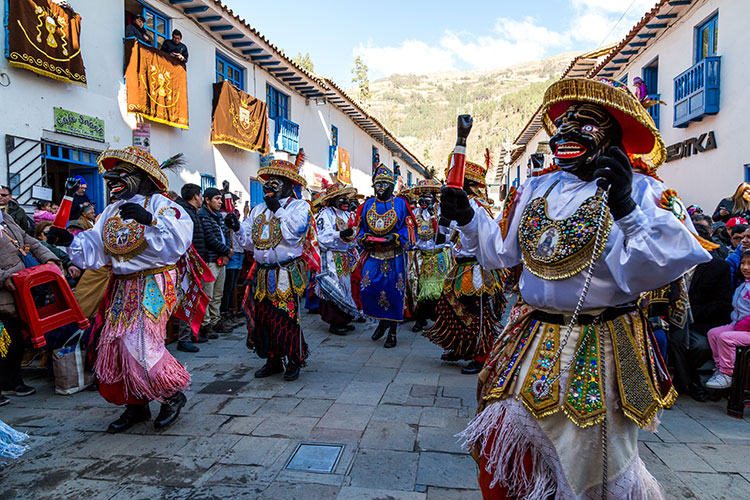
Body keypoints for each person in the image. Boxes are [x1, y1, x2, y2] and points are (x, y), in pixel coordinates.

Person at [445, 78, 711, 499]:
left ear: (611, 137)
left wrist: (626, 208)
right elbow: (501, 253)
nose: (566, 134)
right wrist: (469, 219)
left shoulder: (645, 191)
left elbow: (661, 265)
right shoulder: (537, 187)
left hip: (600, 340)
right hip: (531, 338)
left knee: (588, 453)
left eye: (584, 124)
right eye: (563, 125)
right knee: (506, 438)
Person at [47, 147, 195, 433]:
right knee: (114, 345)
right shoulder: (111, 211)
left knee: (139, 343)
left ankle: (171, 394)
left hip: (153, 282)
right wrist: (69, 239)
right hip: (121, 285)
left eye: (121, 175)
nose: (111, 180)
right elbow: (96, 248)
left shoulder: (162, 205)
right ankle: (136, 405)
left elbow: (178, 243)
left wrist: (149, 220)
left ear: (141, 177)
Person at [231, 159, 318, 381]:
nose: (269, 187)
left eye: (276, 182)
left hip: (285, 273)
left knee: (286, 316)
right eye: (268, 182)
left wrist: (278, 211)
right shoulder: (259, 209)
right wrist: (237, 227)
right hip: (262, 272)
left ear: (289, 185)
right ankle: (273, 360)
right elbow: (250, 243)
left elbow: (293, 235)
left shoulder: (300, 207)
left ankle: (294, 359)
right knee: (264, 318)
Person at [423, 157, 505, 374]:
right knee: (449, 308)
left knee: (477, 313)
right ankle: (459, 347)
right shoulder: (451, 206)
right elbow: (446, 237)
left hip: (476, 267)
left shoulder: (477, 207)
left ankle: (481, 355)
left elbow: (477, 237)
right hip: (459, 266)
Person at [0, 210, 59, 406]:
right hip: (5, 287)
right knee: (3, 339)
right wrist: (3, 276)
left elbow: (30, 241)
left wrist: (49, 259)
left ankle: (12, 381)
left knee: (15, 338)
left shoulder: (7, 219)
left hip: (19, 287)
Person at [355, 164, 414, 349]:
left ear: (391, 185)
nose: (380, 187)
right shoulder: (367, 205)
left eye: (384, 184)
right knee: (369, 289)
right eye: (377, 184)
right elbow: (360, 228)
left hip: (394, 256)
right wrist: (364, 238)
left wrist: (396, 237)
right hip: (373, 254)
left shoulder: (401, 204)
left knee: (394, 292)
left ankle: (393, 331)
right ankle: (382, 322)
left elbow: (409, 226)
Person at [314, 181, 359, 335]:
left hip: (345, 256)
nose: (346, 201)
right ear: (332, 199)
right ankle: (335, 322)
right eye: (341, 198)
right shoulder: (325, 214)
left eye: (347, 198)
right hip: (331, 256)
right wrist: (339, 234)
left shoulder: (348, 215)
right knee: (334, 288)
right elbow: (321, 237)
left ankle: (344, 319)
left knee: (346, 287)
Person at [409, 180, 452, 333]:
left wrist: (443, 237)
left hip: (438, 255)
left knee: (436, 289)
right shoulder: (415, 214)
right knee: (419, 287)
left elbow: (453, 233)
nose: (423, 200)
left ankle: (436, 318)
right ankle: (421, 318)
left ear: (435, 198)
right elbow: (411, 234)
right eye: (421, 197)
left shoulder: (444, 213)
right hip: (420, 255)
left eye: (427, 197)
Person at [706, 250, 750, 389]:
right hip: (738, 325)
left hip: (746, 328)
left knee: (726, 338)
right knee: (713, 333)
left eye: (749, 264)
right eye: (743, 263)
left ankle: (727, 373)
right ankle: (720, 368)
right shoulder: (743, 285)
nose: (745, 267)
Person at [174, 183, 206, 352]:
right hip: (187, 263)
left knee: (193, 298)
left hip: (195, 262)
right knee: (187, 298)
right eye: (200, 195)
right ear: (195, 196)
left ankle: (192, 332)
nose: (201, 199)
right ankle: (184, 338)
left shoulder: (191, 212)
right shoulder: (183, 212)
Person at [198, 187, 232, 338]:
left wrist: (227, 252)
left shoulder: (218, 216)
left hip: (221, 259)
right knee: (208, 294)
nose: (220, 202)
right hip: (210, 259)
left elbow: (226, 233)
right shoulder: (203, 216)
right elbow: (210, 239)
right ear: (207, 200)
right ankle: (205, 324)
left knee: (218, 294)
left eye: (220, 199)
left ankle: (215, 320)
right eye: (217, 199)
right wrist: (226, 251)